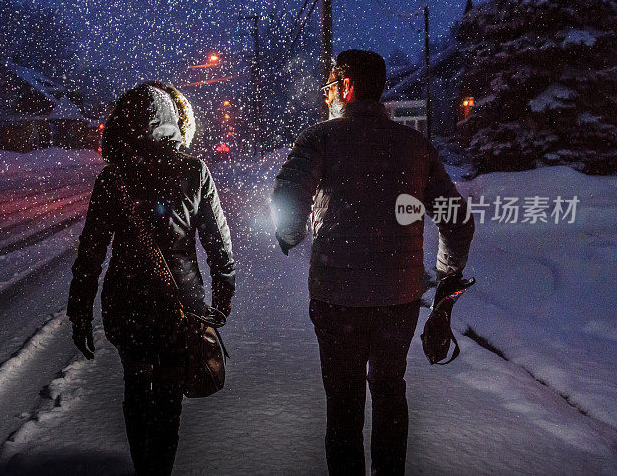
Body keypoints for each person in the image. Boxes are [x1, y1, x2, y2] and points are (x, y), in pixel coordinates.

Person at [271, 49, 475, 476]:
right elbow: (456, 220)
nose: (329, 94)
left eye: (332, 85)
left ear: (346, 87)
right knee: (389, 389)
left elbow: (289, 203)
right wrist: (445, 277)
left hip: (336, 299)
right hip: (397, 300)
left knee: (343, 402)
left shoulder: (319, 138)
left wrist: (291, 235)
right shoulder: (414, 146)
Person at [67, 82, 235, 475]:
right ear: (173, 122)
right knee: (168, 400)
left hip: (127, 299)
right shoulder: (193, 170)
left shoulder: (113, 178)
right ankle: (159, 467)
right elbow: (218, 244)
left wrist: (80, 310)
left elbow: (91, 251)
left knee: (136, 387)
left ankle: (144, 466)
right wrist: (223, 296)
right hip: (182, 302)